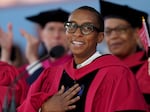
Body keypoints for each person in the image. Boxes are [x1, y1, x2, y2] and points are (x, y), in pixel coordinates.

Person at [17, 6, 148, 112]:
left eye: (87, 28)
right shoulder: (51, 75)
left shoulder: (117, 75)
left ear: (100, 37)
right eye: (71, 26)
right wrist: (43, 109)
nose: (77, 33)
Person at [100, 0, 150, 108]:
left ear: (136, 33)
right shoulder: (101, 71)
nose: (113, 36)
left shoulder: (147, 69)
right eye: (108, 31)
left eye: (121, 29)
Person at [20, 8, 72, 85]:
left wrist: (32, 59)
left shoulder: (77, 66)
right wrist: (6, 52)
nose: (56, 35)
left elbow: (48, 91)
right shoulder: (27, 70)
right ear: (41, 34)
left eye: (63, 30)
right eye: (51, 29)